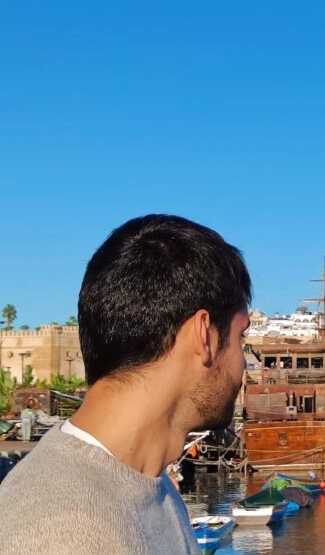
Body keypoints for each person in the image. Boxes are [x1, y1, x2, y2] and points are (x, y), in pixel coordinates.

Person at [0, 215, 252, 554]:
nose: (243, 365)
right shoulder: (69, 530)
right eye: (241, 337)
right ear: (203, 335)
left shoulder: (151, 484)